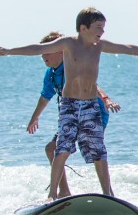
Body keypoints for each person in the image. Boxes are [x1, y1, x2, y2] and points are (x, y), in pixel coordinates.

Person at [0, 7, 138, 201]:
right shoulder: (68, 44)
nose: (102, 32)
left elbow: (127, 49)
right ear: (83, 28)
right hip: (69, 106)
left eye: (104, 27)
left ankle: (108, 195)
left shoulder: (99, 46)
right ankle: (52, 195)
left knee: (99, 152)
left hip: (91, 106)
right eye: (98, 27)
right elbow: (38, 49)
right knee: (62, 148)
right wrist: (9, 51)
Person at [24, 31, 121, 199]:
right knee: (52, 148)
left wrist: (106, 100)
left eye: (47, 50)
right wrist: (35, 117)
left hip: (94, 112)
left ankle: (109, 194)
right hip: (72, 115)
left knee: (95, 152)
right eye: (42, 51)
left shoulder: (72, 64)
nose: (42, 55)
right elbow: (45, 96)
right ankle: (64, 191)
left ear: (61, 50)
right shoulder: (51, 73)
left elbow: (94, 85)